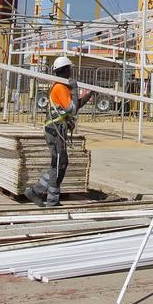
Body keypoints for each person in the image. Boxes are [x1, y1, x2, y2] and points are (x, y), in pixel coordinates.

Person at [25, 56, 93, 208]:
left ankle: (37, 191)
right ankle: (51, 199)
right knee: (59, 164)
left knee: (59, 163)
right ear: (66, 69)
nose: (71, 72)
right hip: (55, 130)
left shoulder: (61, 87)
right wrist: (75, 90)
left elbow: (72, 107)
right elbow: (72, 110)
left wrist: (86, 97)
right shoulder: (60, 87)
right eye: (70, 69)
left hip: (57, 129)